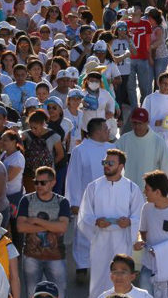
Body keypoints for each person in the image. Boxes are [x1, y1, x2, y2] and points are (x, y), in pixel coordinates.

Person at [77, 149, 145, 298]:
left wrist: (129, 222)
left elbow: (140, 215)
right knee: (99, 277)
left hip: (122, 239)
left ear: (121, 166)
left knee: (121, 277)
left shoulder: (132, 188)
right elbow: (84, 215)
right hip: (99, 240)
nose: (106, 165)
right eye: (104, 162)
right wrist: (96, 222)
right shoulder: (93, 187)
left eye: (110, 163)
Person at [66, 117, 113, 280]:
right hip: (86, 201)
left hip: (108, 200)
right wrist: (74, 202)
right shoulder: (81, 150)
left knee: (106, 233)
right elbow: (73, 177)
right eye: (105, 128)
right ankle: (82, 266)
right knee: (84, 235)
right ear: (97, 131)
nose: (109, 131)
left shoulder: (112, 149)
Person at [16, 166, 71, 298]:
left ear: (53, 182)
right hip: (31, 256)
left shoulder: (62, 202)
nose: (38, 185)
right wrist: (52, 226)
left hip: (56, 257)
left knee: (59, 294)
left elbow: (62, 228)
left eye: (43, 182)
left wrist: (35, 220)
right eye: (36, 182)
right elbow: (21, 227)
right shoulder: (26, 200)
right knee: (32, 294)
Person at [115, 107, 168, 197]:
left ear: (147, 123)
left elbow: (165, 167)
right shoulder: (124, 139)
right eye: (134, 123)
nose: (137, 126)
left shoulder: (158, 141)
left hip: (151, 190)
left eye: (140, 123)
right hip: (129, 188)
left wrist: (165, 192)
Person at [141, 72, 168, 145]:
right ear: (159, 83)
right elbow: (143, 118)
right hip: (153, 135)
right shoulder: (150, 99)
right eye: (164, 83)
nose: (166, 86)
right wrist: (155, 122)